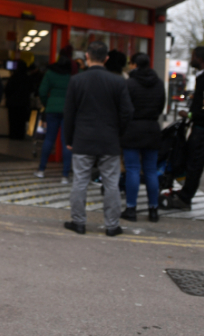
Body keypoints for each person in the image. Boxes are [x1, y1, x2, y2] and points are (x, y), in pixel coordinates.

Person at [62, 41, 134, 237]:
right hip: (109, 140)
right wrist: (118, 133)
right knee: (111, 184)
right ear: (107, 58)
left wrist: (69, 138)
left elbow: (69, 113)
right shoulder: (118, 82)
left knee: (80, 182)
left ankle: (78, 222)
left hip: (83, 139)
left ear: (87, 56)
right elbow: (127, 112)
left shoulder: (77, 80)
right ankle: (112, 226)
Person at [165, 46, 204, 210]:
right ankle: (184, 192)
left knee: (195, 163)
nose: (191, 59)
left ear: (200, 58)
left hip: (203, 128)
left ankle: (186, 197)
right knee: (189, 160)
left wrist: (190, 116)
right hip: (198, 126)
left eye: (193, 56)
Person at [120, 53, 165, 223]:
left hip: (132, 129)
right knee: (151, 170)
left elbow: (124, 108)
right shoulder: (159, 83)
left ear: (134, 65)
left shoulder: (129, 84)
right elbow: (161, 106)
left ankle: (131, 209)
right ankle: (153, 210)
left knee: (132, 169)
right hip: (152, 129)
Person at [35, 50, 73, 183]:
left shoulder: (50, 73)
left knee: (49, 139)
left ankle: (41, 170)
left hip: (52, 110)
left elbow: (42, 91)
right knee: (66, 142)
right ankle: (65, 175)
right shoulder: (72, 75)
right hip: (68, 110)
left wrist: (47, 104)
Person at [5, 59, 32, 140]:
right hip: (23, 103)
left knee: (13, 121)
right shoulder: (27, 78)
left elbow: (7, 89)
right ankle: (20, 136)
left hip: (12, 103)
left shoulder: (13, 77)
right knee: (21, 121)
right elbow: (31, 89)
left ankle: (13, 135)